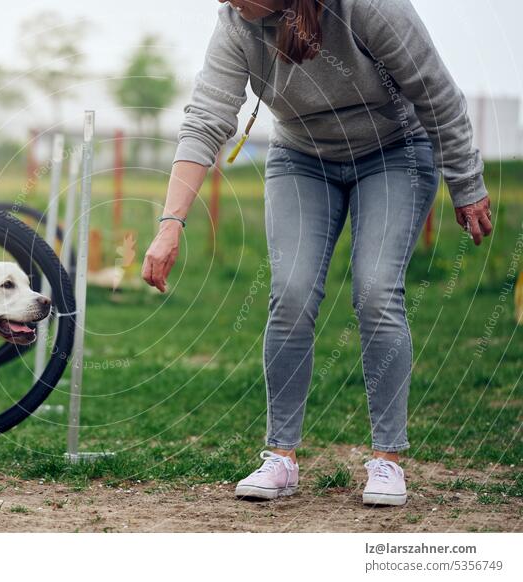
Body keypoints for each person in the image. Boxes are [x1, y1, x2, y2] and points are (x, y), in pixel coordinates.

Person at [141, 0, 492, 506]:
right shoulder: (235, 24)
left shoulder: (366, 8)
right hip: (302, 158)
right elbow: (206, 119)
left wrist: (466, 179)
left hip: (393, 151)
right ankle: (280, 457)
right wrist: (170, 223)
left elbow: (433, 89)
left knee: (375, 290)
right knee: (290, 292)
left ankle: (388, 459)